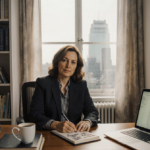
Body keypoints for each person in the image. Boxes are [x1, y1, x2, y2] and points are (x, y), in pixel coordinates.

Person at [29, 45, 98, 133]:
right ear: (57, 62)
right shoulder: (43, 83)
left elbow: (92, 111)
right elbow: (34, 114)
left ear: (76, 66)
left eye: (73, 62)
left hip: (75, 135)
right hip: (50, 135)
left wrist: (87, 122)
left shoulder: (81, 85)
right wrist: (56, 125)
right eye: (64, 60)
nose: (68, 65)